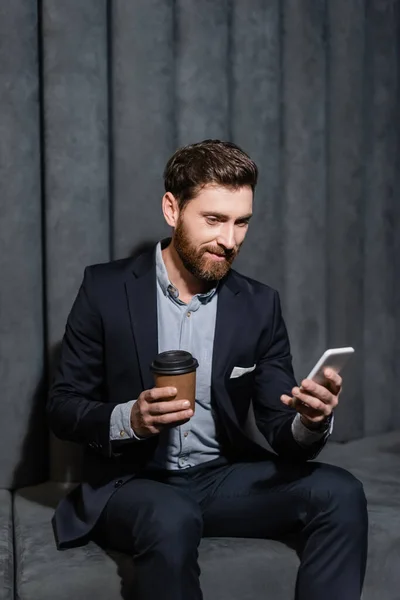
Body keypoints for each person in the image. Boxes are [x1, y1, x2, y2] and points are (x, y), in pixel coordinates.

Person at [47, 139, 368, 600]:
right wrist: (130, 420)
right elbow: (62, 407)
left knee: (341, 491)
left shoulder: (259, 304)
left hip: (220, 476)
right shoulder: (104, 288)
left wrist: (309, 423)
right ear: (172, 209)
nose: (230, 240)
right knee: (172, 515)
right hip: (135, 483)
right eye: (214, 220)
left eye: (242, 223)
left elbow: (280, 426)